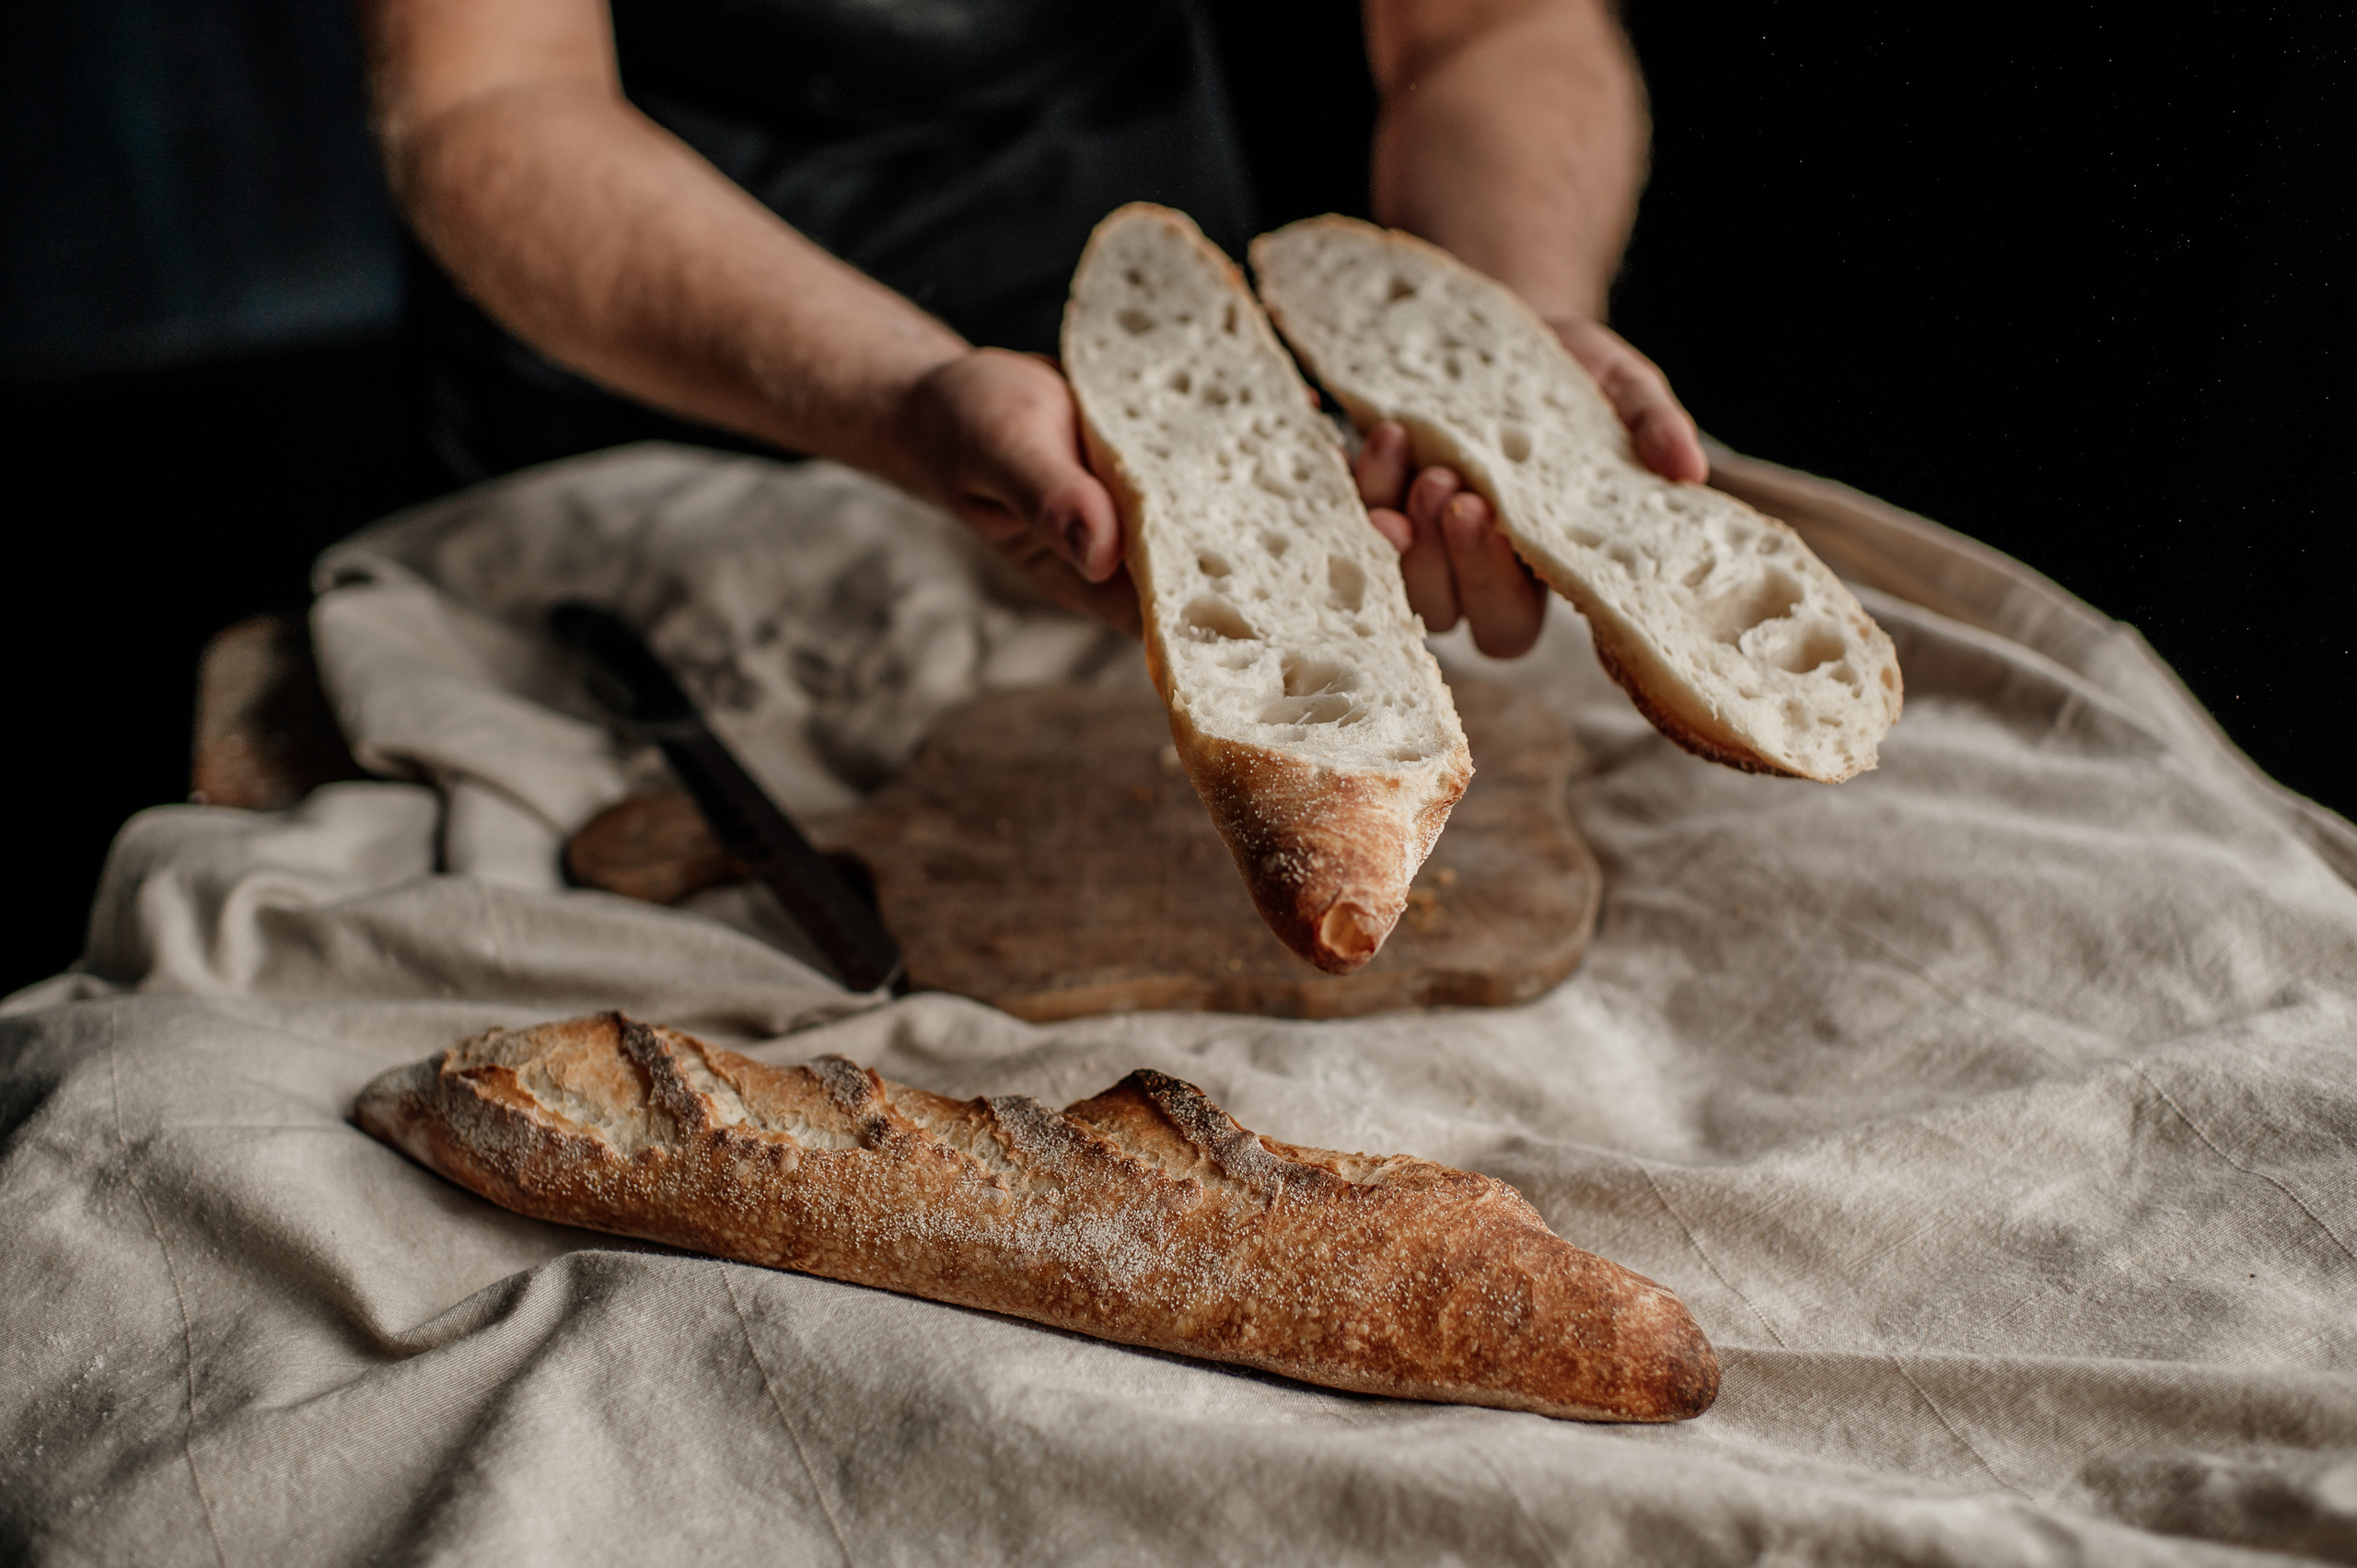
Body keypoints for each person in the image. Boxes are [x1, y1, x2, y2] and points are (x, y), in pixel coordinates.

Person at [359, 0, 1707, 660]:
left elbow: (1492, 26)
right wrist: (903, 395)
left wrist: (1508, 337)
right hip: (651, 450)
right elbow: (490, 98)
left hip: (1189, 399)